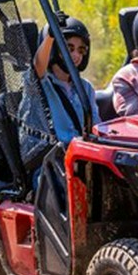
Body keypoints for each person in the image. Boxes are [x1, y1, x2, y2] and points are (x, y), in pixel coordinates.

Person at [18, 13, 101, 188]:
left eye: (81, 50)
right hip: (49, 167)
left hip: (83, 161)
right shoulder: (39, 85)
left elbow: (96, 128)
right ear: (55, 49)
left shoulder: (85, 88)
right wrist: (50, 36)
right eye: (69, 48)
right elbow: (37, 67)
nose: (76, 55)